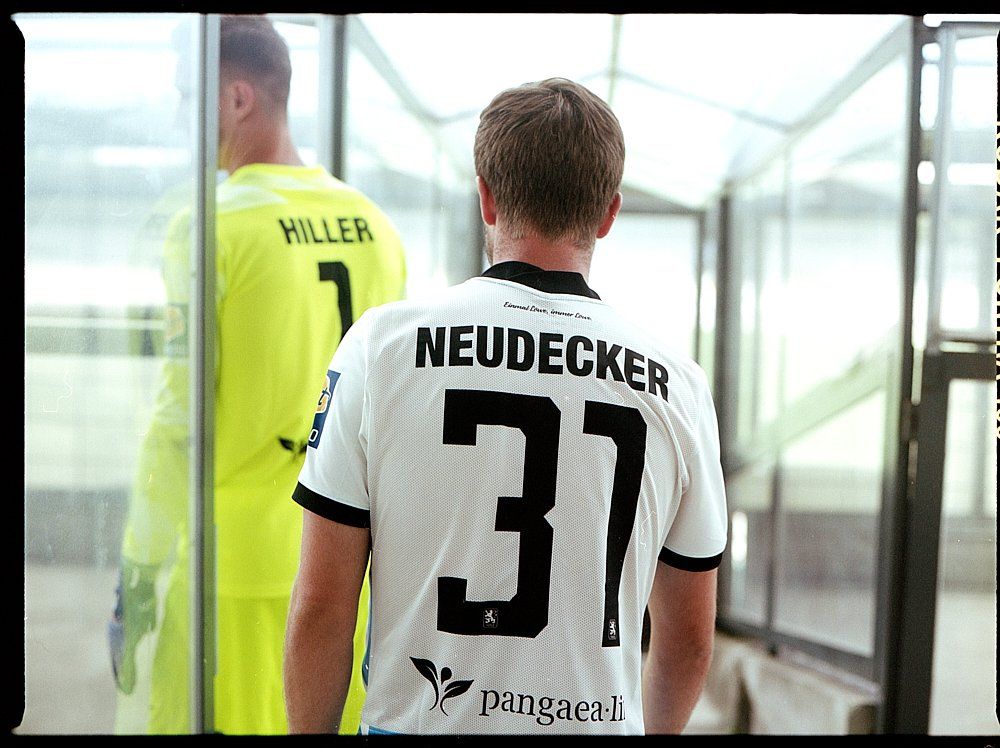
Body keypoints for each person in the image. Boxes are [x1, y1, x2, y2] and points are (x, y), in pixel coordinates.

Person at [283, 77, 726, 735]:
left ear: (486, 198)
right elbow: (689, 637)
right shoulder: (677, 386)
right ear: (608, 213)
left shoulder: (382, 348)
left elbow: (323, 603)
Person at [109, 15, 406, 735]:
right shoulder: (375, 227)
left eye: (193, 97)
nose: (188, 118)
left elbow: (179, 419)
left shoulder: (210, 225)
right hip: (350, 578)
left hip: (233, 579)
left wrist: (139, 568)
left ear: (239, 99)